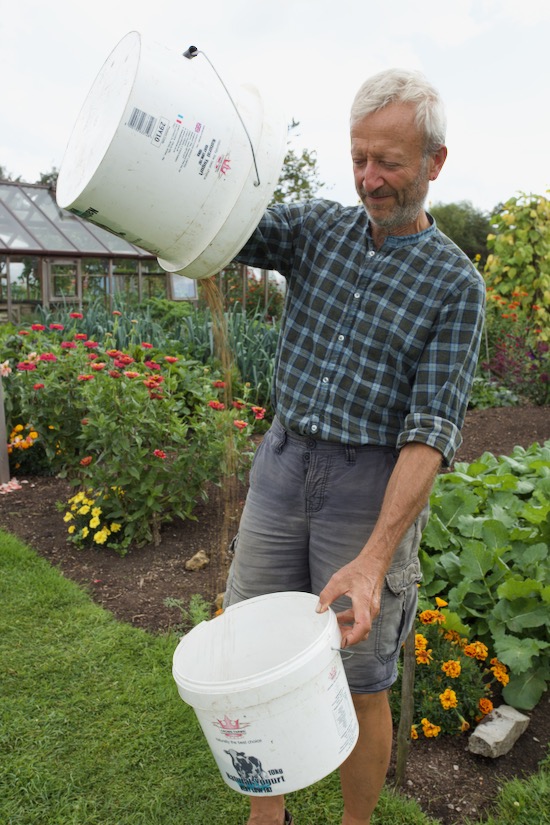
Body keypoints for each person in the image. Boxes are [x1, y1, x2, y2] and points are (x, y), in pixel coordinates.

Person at [223, 68, 486, 825]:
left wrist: (373, 562)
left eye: (390, 163)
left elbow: (430, 431)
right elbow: (227, 222)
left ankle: (355, 822)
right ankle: (267, 812)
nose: (369, 179)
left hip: (370, 484)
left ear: (435, 163)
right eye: (359, 157)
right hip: (284, 463)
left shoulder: (454, 286)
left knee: (361, 674)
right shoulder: (314, 230)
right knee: (253, 651)